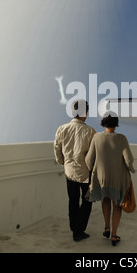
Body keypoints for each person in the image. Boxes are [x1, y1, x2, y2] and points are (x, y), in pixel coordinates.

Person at [85, 111, 135, 246]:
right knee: (117, 205)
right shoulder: (121, 138)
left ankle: (106, 227)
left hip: (101, 178)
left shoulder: (96, 137)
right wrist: (131, 169)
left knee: (105, 199)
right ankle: (114, 235)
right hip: (117, 179)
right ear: (116, 124)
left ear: (104, 123)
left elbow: (89, 160)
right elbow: (129, 160)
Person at [54, 100, 96, 242]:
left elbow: (57, 150)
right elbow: (93, 155)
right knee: (87, 201)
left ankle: (74, 228)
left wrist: (64, 163)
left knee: (72, 200)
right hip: (85, 173)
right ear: (85, 113)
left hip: (69, 172)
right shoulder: (90, 132)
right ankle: (78, 231)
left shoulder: (62, 129)